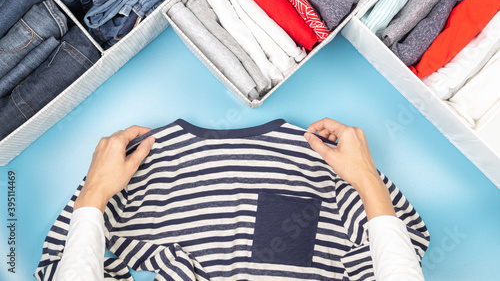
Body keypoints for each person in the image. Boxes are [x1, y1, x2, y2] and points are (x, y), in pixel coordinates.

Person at [54, 119, 425, 280]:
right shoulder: (325, 161)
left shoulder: (141, 167)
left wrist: (95, 193)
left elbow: (56, 263)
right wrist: (365, 178)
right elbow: (408, 241)